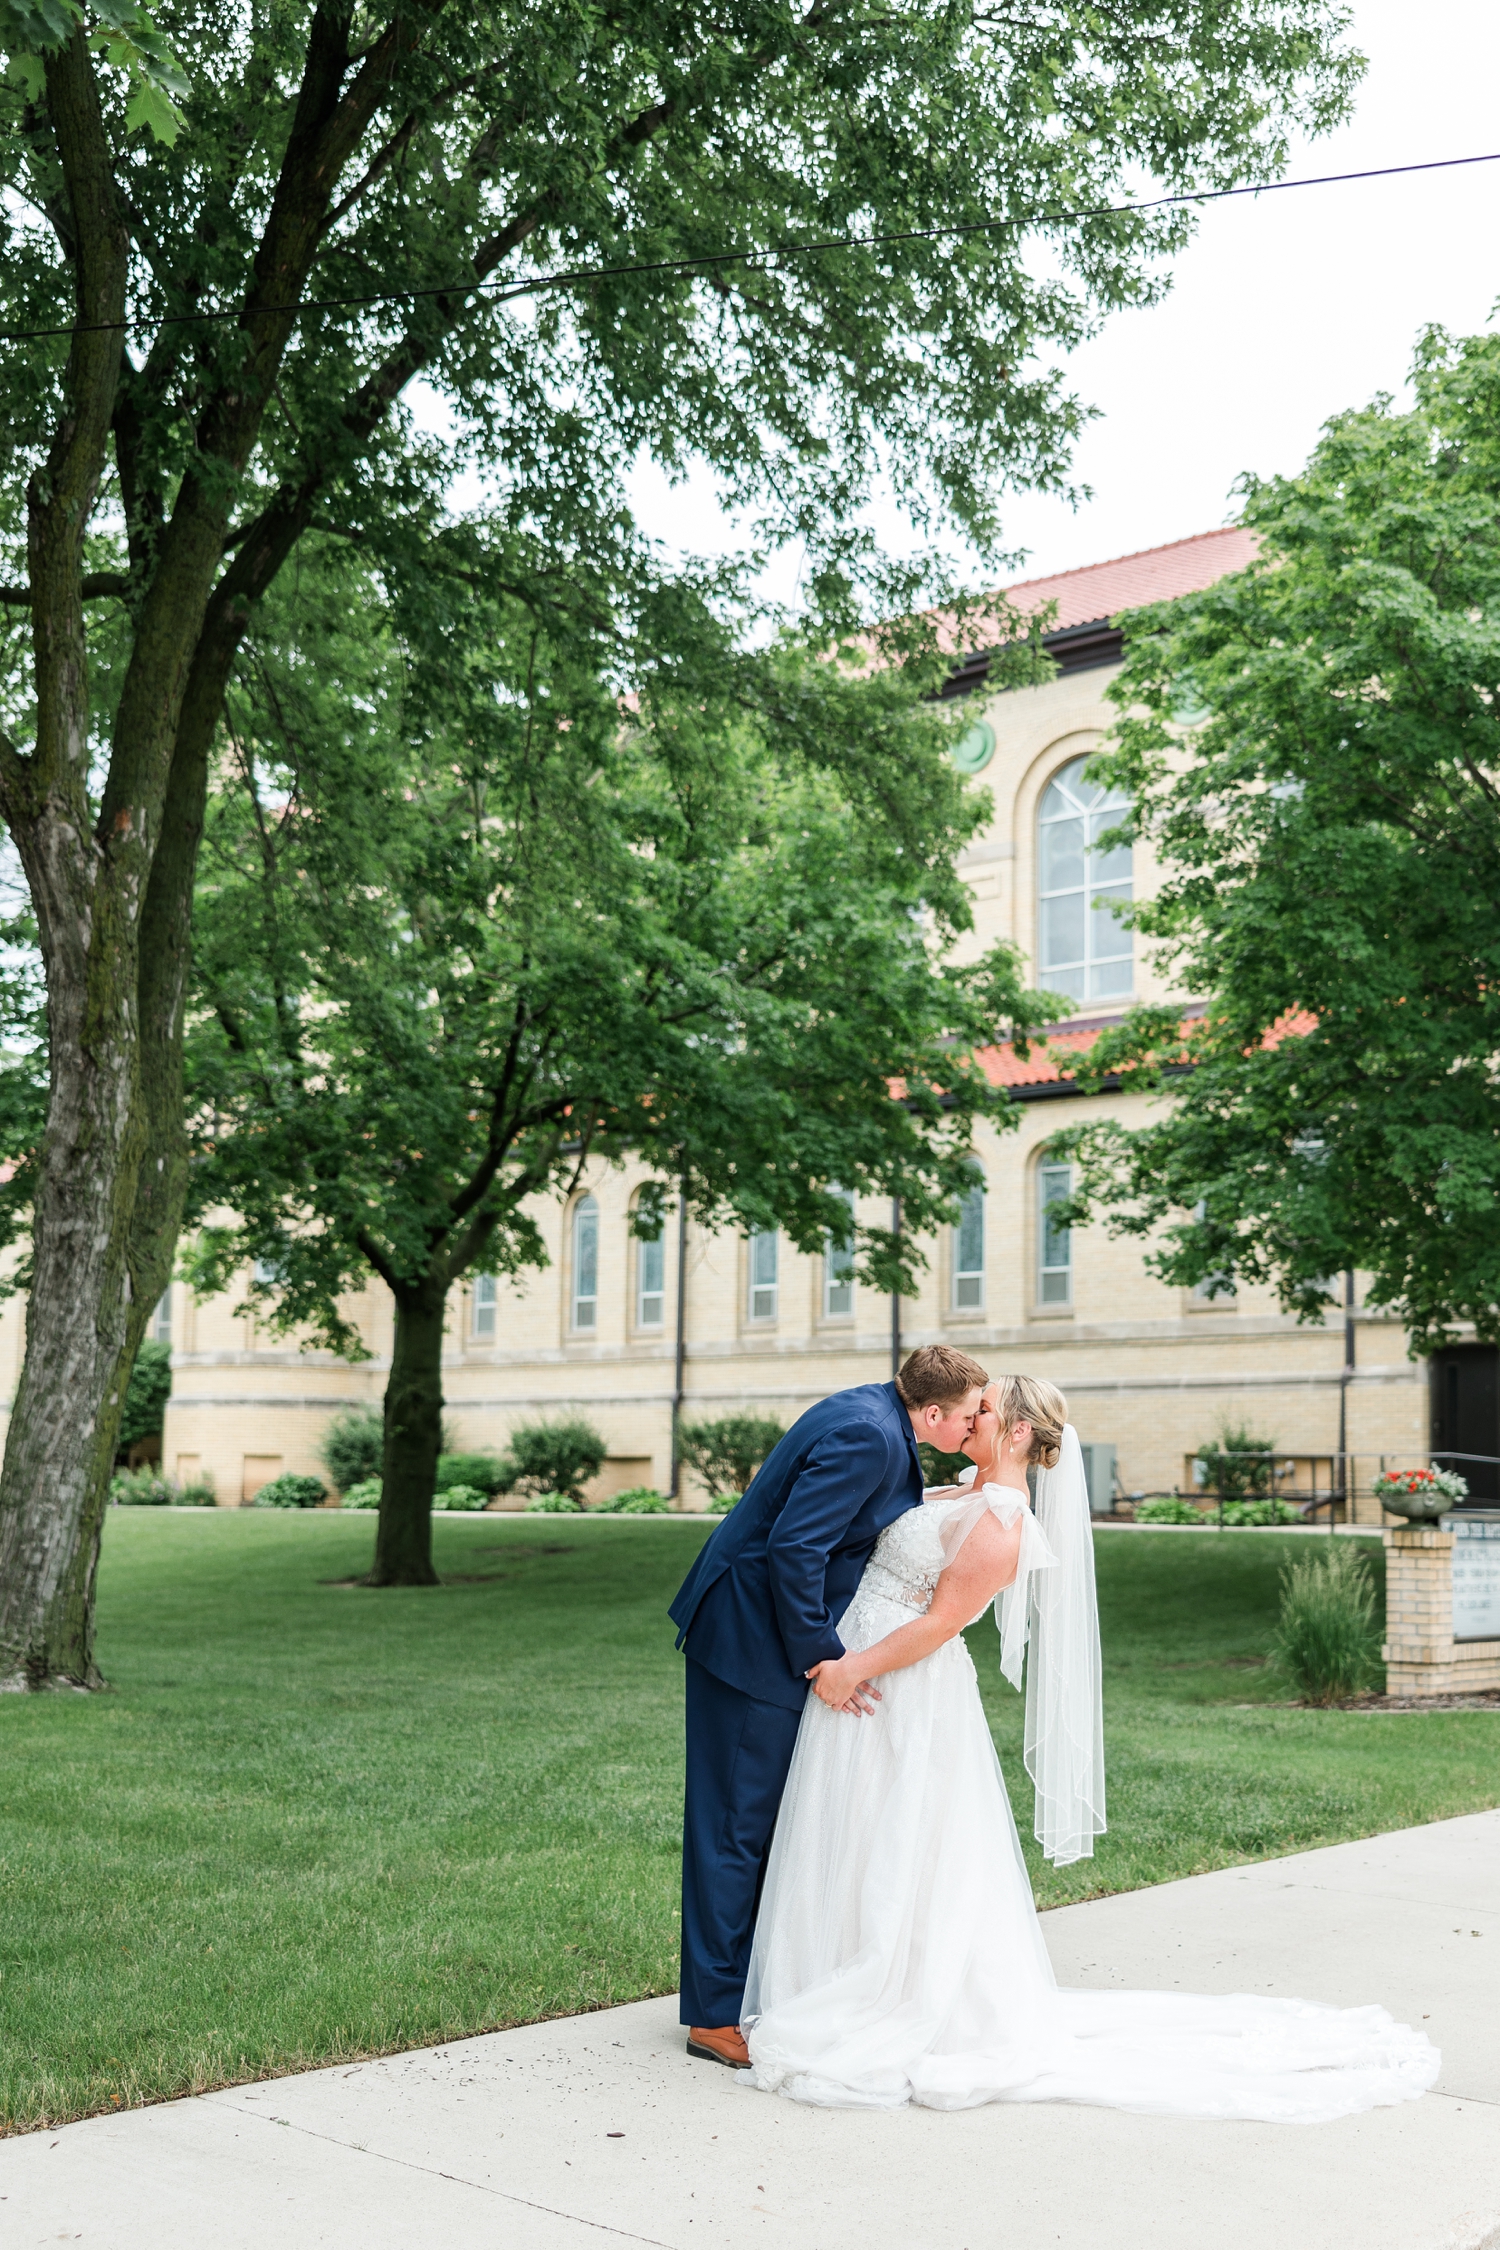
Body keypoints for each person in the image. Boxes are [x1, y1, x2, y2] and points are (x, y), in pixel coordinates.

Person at [741, 1375, 1440, 2121]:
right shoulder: (956, 1488)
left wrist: (850, 1669)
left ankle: (890, 1989)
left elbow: (943, 1621)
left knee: (897, 1839)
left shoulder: (1004, 1523)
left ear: (1014, 1434)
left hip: (897, 1686)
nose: (972, 1414)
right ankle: (825, 1970)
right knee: (854, 1830)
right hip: (863, 1669)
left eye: (985, 1410)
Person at [668, 1344, 991, 2068]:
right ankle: (713, 2018)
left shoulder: (874, 1413)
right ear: (932, 1411)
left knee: (752, 1821)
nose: (974, 1425)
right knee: (734, 1826)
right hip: (750, 1642)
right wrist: (824, 1653)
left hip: (759, 1634)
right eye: (969, 1414)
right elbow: (796, 1546)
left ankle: (739, 1988)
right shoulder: (867, 1435)